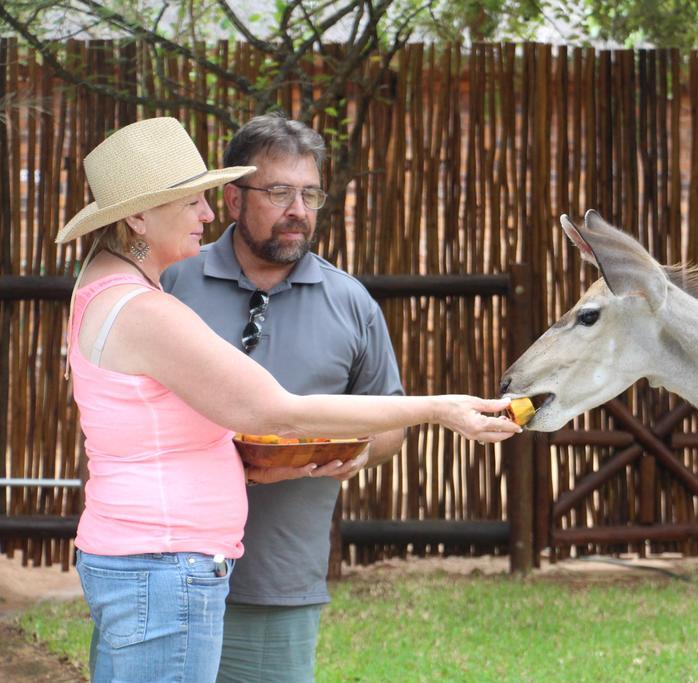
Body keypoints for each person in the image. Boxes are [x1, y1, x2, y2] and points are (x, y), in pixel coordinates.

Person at [60, 116, 519, 683]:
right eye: (193, 202)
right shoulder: (154, 300)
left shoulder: (104, 286)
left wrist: (300, 460)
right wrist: (439, 408)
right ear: (139, 215)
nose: (203, 215)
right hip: (166, 566)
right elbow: (274, 409)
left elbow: (163, 425)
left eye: (309, 193)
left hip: (192, 568)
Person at [161, 113, 402, 682]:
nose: (298, 209)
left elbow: (388, 419)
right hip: (162, 568)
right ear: (233, 200)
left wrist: (361, 453)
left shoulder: (352, 303)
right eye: (277, 191)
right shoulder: (172, 283)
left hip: (277, 580)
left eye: (310, 193)